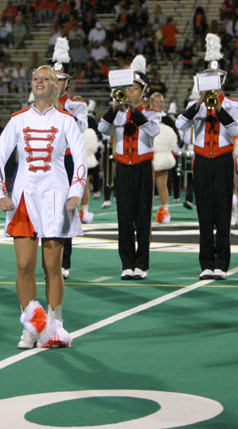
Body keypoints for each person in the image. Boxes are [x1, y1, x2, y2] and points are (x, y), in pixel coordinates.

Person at [0, 64, 86, 349]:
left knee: (52, 266)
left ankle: (55, 325)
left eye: (45, 79)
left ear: (55, 86)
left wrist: (75, 192)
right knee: (23, 265)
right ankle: (32, 325)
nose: (39, 82)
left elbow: (79, 159)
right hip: (24, 197)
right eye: (35, 79)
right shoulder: (18, 120)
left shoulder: (67, 120)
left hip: (56, 196)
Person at [177, 35, 238, 280]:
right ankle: (206, 262)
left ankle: (222, 263)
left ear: (223, 80)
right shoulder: (196, 105)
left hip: (224, 161)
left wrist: (219, 108)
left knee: (222, 213)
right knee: (204, 214)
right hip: (202, 161)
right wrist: (200, 104)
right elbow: (180, 124)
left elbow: (237, 131)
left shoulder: (233, 104)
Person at [99, 55, 160, 280]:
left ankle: (141, 264)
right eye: (128, 88)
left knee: (143, 217)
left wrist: (134, 110)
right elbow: (103, 129)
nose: (131, 93)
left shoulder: (151, 113)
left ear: (143, 91)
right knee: (124, 217)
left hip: (143, 167)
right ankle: (126, 263)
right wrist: (115, 108)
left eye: (135, 89)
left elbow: (153, 131)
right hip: (123, 167)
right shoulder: (118, 112)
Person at [51, 38, 90, 279]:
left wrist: (57, 107)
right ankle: (50, 260)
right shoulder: (38, 103)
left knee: (66, 210)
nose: (56, 84)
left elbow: (80, 128)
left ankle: (65, 262)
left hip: (66, 161)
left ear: (67, 82)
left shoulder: (76, 105)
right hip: (47, 162)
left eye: (60, 80)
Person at [150, 92, 180, 224]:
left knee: (162, 184)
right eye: (157, 102)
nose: (160, 104)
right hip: (148, 155)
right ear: (151, 103)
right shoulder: (146, 117)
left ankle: (165, 210)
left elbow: (176, 137)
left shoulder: (167, 120)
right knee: (146, 186)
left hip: (162, 156)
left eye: (161, 102)